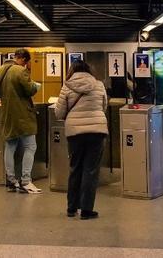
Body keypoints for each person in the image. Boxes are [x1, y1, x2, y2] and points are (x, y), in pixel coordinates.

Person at [54, 59, 108, 219]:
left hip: (75, 132)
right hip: (97, 131)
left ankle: (71, 208)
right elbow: (104, 106)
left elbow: (59, 113)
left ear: (72, 70)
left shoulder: (67, 86)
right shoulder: (99, 85)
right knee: (90, 171)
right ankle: (86, 210)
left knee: (75, 168)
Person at [0, 48, 41, 193]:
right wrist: (36, 84)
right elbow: (30, 90)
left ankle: (11, 181)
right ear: (25, 60)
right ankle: (26, 180)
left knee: (10, 146)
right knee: (30, 146)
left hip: (7, 114)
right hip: (23, 115)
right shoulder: (21, 71)